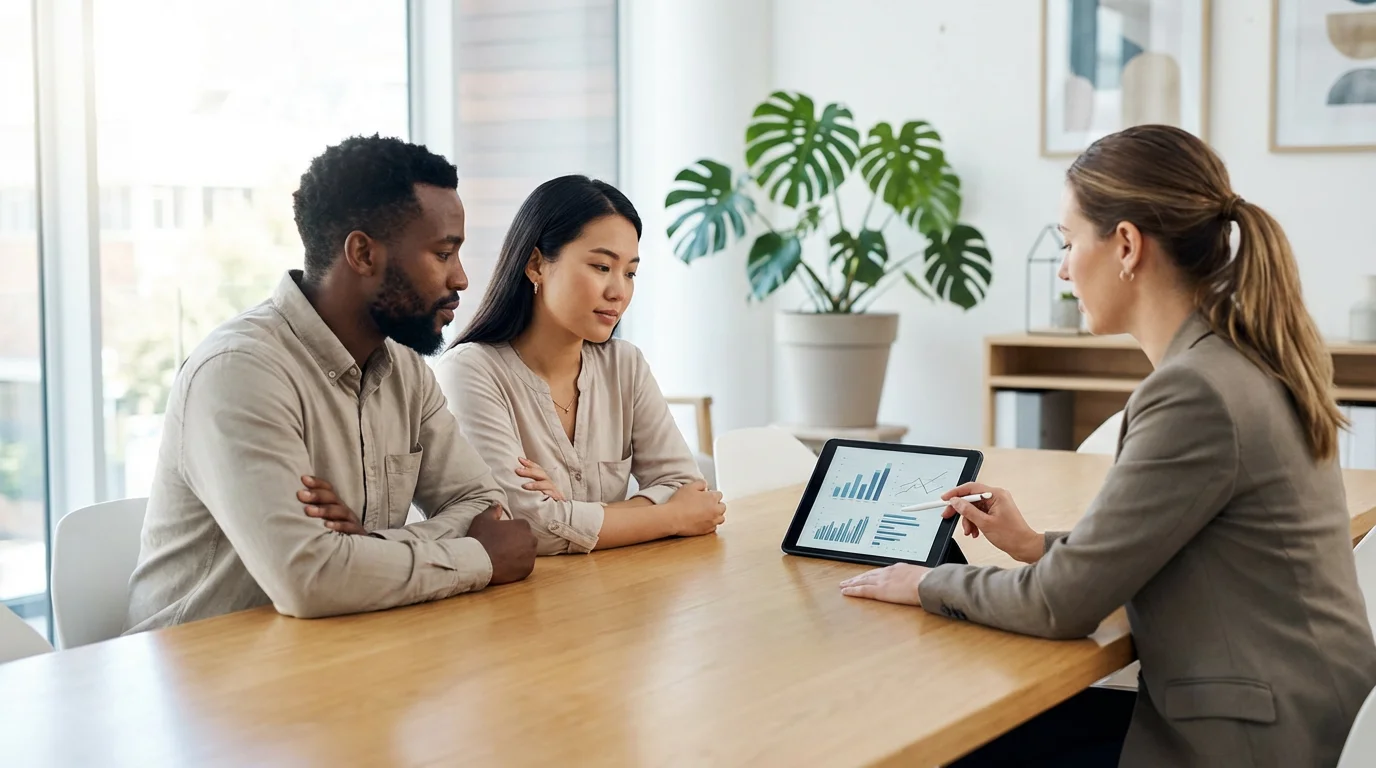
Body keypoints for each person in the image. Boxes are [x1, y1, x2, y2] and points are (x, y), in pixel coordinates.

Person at [838, 125, 1376, 767]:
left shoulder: (1193, 392)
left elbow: (1060, 605)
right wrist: (1038, 546)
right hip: (1300, 709)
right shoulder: (1243, 356)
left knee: (955, 749)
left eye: (1068, 243)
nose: (1062, 268)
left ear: (1126, 245)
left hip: (1248, 738)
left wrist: (926, 583)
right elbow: (1180, 544)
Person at [124, 135, 537, 633]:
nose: (462, 279)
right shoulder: (239, 371)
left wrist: (371, 549)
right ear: (363, 253)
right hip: (198, 686)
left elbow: (486, 509)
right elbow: (311, 579)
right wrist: (476, 560)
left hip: (336, 653)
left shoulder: (405, 368)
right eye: (443, 254)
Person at [433, 175, 725, 556]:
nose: (618, 290)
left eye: (630, 272)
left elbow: (687, 487)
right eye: (602, 266)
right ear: (536, 264)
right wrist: (669, 518)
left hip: (608, 596)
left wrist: (568, 514)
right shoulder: (469, 372)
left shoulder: (624, 365)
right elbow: (524, 526)